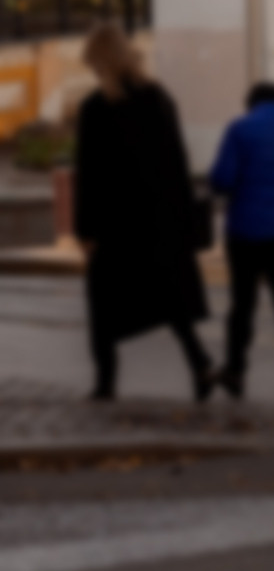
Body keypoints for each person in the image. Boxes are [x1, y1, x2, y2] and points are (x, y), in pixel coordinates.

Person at [72, 20, 214, 403]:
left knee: (103, 304)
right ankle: (200, 365)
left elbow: (90, 175)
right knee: (171, 299)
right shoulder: (158, 97)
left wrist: (85, 230)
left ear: (100, 62)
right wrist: (183, 221)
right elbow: (177, 163)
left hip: (116, 227)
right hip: (160, 221)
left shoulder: (96, 108)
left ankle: (105, 382)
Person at [209, 79, 274, 403]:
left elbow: (222, 178)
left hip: (245, 230)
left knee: (242, 303)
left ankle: (236, 371)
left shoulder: (239, 129)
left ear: (251, 103)